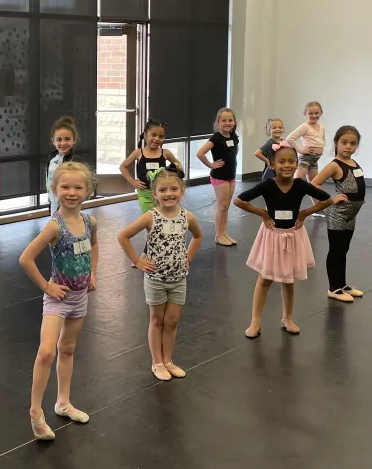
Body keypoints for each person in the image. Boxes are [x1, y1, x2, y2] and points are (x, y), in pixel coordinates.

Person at [20, 161, 97, 440]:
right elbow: (25, 258)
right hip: (58, 299)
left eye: (78, 187)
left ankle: (63, 402)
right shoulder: (55, 226)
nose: (72, 192)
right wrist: (46, 286)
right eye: (65, 186)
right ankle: (35, 412)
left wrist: (93, 274)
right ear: (55, 189)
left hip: (79, 298)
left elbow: (94, 244)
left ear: (87, 190)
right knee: (46, 352)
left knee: (67, 348)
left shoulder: (90, 222)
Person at [234, 148, 343, 339]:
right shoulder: (267, 185)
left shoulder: (300, 185)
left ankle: (288, 318)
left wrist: (304, 213)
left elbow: (326, 199)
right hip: (272, 236)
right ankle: (255, 321)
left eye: (291, 161)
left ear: (296, 164)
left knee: (289, 278)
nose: (287, 165)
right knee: (265, 278)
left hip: (293, 234)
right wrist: (263, 213)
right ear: (273, 165)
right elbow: (239, 201)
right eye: (282, 162)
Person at [117, 169, 203, 380]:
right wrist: (137, 261)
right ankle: (157, 362)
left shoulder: (187, 217)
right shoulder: (151, 217)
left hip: (178, 278)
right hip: (156, 279)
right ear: (155, 194)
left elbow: (198, 237)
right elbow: (123, 236)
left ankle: (168, 360)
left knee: (172, 320)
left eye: (174, 189)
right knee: (157, 320)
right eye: (163, 190)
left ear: (182, 190)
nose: (169, 194)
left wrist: (187, 257)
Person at [311, 126, 365, 303]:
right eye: (344, 142)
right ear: (336, 143)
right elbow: (314, 184)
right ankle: (333, 287)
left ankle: (342, 284)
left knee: (344, 250)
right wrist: (330, 200)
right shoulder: (334, 165)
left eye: (353, 143)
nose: (348, 147)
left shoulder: (354, 164)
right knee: (336, 251)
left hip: (351, 214)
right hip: (338, 214)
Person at [119, 119, 184, 214]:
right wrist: (132, 181)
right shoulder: (138, 153)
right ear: (145, 135)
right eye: (153, 135)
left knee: (163, 216)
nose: (157, 139)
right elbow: (123, 167)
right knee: (149, 218)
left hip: (162, 194)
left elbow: (179, 166)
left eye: (161, 136)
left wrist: (172, 174)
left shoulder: (166, 153)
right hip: (145, 194)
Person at [196, 107, 239, 247]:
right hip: (219, 176)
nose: (227, 123)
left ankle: (224, 232)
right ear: (218, 122)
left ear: (234, 122)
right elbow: (200, 153)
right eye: (224, 120)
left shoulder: (233, 137)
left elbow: (232, 155)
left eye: (230, 120)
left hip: (231, 176)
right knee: (222, 206)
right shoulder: (216, 137)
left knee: (226, 206)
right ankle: (218, 235)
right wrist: (210, 165)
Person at [46, 116, 87, 213]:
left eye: (67, 139)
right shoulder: (52, 158)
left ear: (74, 140)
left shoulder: (76, 161)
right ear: (53, 141)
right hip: (53, 202)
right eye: (59, 139)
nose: (63, 143)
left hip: (68, 203)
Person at [286, 101, 326, 199]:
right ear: (305, 114)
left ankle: (317, 209)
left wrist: (321, 149)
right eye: (310, 113)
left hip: (314, 160)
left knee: (315, 185)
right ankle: (285, 202)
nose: (314, 115)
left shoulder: (321, 127)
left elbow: (323, 139)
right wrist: (301, 150)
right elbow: (290, 138)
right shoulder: (305, 126)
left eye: (316, 113)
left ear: (321, 113)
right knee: (297, 182)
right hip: (306, 159)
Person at [253, 117, 285, 182]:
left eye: (280, 127)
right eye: (274, 128)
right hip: (272, 171)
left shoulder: (283, 142)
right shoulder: (270, 143)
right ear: (269, 130)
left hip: (281, 169)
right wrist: (267, 161)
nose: (278, 129)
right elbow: (257, 153)